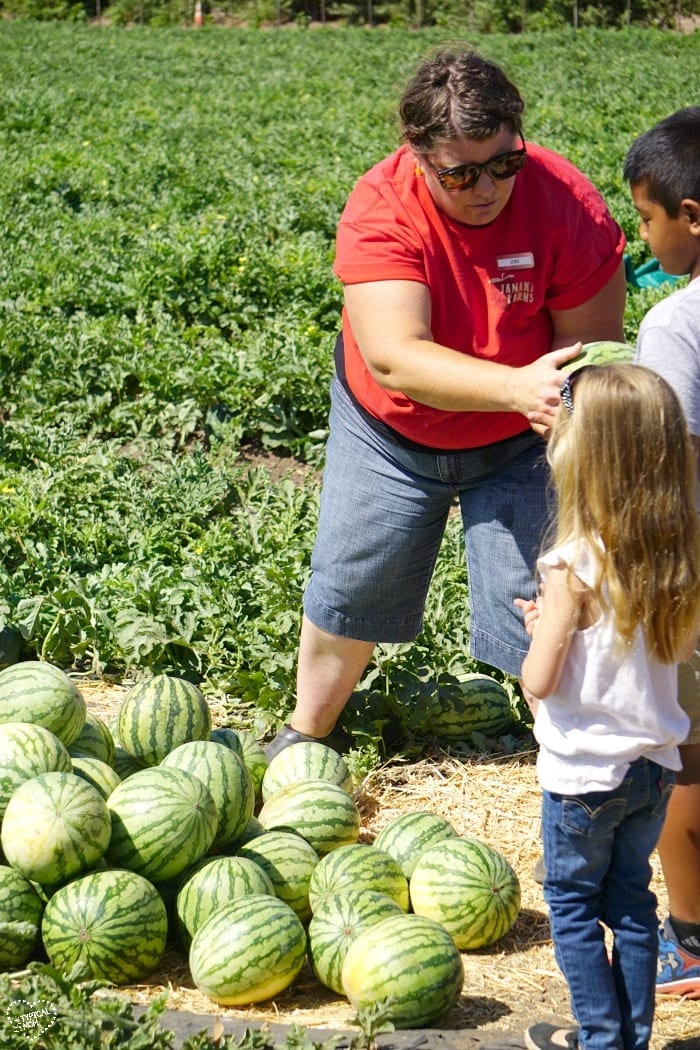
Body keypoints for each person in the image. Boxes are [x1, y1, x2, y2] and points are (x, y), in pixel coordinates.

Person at [265, 46, 627, 761]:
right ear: (418, 155)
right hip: (391, 431)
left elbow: (588, 351)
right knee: (354, 578)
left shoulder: (568, 204)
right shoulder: (382, 206)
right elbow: (396, 357)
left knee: (546, 593)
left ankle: (574, 758)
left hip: (524, 439)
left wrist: (559, 416)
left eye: (503, 164)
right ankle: (307, 733)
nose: (485, 187)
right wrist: (516, 386)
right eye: (459, 173)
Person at [515, 364, 700, 1050]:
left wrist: (542, 633)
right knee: (631, 902)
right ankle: (633, 1037)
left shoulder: (572, 565)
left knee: (571, 906)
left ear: (586, 460)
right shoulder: (674, 558)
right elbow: (660, 656)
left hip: (583, 777)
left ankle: (600, 1038)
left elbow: (539, 680)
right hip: (653, 769)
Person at [623, 106, 700, 998]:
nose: (641, 236)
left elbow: (671, 467)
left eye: (646, 218)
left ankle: (692, 940)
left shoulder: (676, 329)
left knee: (687, 758)